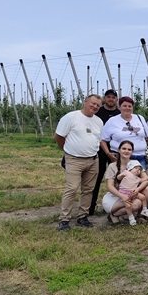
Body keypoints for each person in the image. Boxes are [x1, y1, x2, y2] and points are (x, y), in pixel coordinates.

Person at [54, 94, 103, 231]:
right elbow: (58, 136)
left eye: (98, 105)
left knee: (88, 190)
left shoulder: (98, 121)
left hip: (93, 159)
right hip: (74, 159)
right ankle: (64, 219)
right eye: (93, 103)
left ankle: (82, 216)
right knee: (72, 188)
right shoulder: (71, 117)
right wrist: (68, 150)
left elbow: (98, 139)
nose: (95, 106)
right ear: (85, 102)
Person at [102, 141, 148, 226]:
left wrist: (137, 189)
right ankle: (114, 215)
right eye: (124, 149)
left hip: (131, 193)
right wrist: (122, 196)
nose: (126, 151)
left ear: (132, 151)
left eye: (129, 149)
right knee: (132, 203)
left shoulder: (135, 164)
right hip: (116, 195)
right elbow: (110, 186)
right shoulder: (113, 166)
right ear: (119, 150)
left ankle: (140, 216)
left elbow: (146, 180)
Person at [101, 96, 148, 169]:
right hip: (121, 157)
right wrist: (108, 153)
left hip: (140, 156)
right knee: (122, 179)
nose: (127, 108)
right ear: (119, 107)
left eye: (130, 106)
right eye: (124, 106)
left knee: (141, 179)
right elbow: (103, 140)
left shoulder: (139, 118)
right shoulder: (112, 121)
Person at [89, 89, 120, 215]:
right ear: (104, 99)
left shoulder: (119, 113)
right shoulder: (98, 112)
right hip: (99, 150)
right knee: (96, 178)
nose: (111, 99)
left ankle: (117, 206)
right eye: (108, 97)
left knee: (118, 179)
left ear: (116, 99)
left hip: (115, 151)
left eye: (113, 97)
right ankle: (90, 207)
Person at [116, 160, 148, 225]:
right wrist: (121, 176)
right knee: (128, 206)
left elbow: (142, 180)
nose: (138, 170)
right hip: (124, 193)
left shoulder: (137, 178)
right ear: (130, 168)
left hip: (132, 193)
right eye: (136, 168)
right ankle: (131, 218)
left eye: (139, 169)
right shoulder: (126, 172)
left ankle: (144, 210)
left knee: (143, 197)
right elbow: (118, 178)